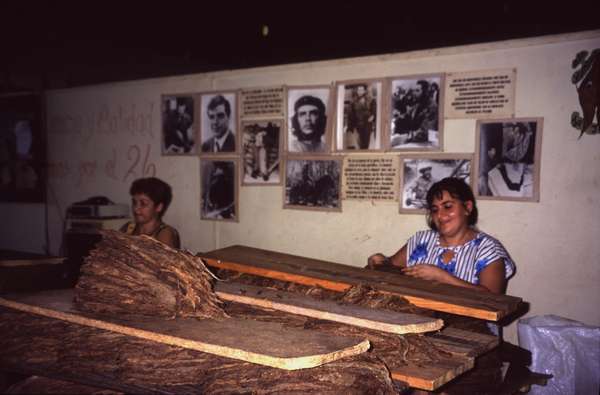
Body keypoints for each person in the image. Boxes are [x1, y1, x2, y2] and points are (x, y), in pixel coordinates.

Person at [368, 177, 514, 295]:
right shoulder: (422, 240)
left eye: (448, 206)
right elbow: (391, 269)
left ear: (467, 208)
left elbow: (493, 300)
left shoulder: (488, 249)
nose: (440, 215)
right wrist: (380, 262)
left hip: (473, 328)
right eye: (434, 209)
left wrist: (442, 277)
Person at [120, 177, 181, 249]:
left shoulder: (165, 233)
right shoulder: (128, 228)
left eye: (143, 204)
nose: (136, 209)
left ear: (159, 207)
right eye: (134, 202)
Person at [347, 84, 376, 149]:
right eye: (358, 90)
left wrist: (373, 116)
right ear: (357, 91)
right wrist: (350, 127)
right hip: (358, 125)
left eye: (361, 90)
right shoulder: (353, 101)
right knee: (359, 143)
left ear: (364, 91)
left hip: (367, 124)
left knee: (365, 143)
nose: (359, 91)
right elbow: (351, 114)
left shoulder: (370, 99)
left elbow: (374, 111)